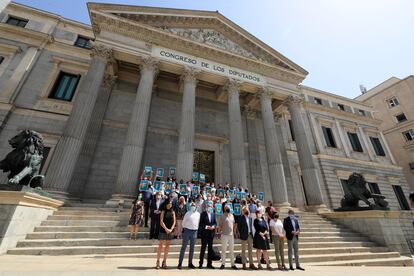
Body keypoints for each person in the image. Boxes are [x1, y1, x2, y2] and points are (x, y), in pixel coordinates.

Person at [178, 202, 200, 269]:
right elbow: (183, 222)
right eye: (192, 205)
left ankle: (190, 263)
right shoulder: (187, 213)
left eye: (194, 205)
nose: (193, 206)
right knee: (183, 247)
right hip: (187, 230)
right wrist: (186, 228)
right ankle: (180, 263)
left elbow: (198, 222)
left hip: (194, 231)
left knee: (192, 249)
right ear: (190, 206)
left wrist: (196, 228)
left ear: (196, 206)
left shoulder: (198, 214)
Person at [156, 199, 176, 269]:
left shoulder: (173, 212)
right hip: (163, 230)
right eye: (169, 203)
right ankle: (158, 261)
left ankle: (164, 262)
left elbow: (174, 222)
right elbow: (161, 221)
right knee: (161, 245)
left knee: (167, 246)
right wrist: (166, 229)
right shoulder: (163, 211)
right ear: (166, 204)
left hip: (170, 231)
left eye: (171, 203)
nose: (170, 204)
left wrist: (171, 229)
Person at [218, 205, 237, 270]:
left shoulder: (232, 215)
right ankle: (223, 264)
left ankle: (233, 264)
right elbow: (220, 226)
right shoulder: (222, 216)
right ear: (224, 209)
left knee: (231, 250)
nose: (228, 209)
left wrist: (234, 232)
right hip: (224, 235)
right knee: (224, 250)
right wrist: (219, 233)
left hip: (231, 235)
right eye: (226, 208)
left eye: (228, 208)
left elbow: (234, 224)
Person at [199, 202, 216, 269]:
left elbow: (215, 223)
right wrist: (206, 227)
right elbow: (201, 224)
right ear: (206, 207)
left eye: (210, 206)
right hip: (205, 234)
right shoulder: (202, 214)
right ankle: (201, 263)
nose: (209, 207)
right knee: (203, 248)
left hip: (211, 234)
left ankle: (209, 263)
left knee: (210, 249)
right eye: (208, 206)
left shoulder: (213, 214)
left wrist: (214, 226)